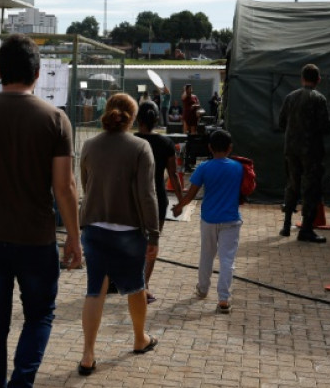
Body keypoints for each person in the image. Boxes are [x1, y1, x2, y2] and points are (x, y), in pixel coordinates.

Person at [0, 34, 83, 388]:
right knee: (39, 316)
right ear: (37, 73)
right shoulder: (56, 120)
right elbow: (65, 186)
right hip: (36, 239)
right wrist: (74, 236)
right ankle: (21, 384)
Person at [78, 93, 160, 376]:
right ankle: (139, 339)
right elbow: (147, 195)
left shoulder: (89, 145)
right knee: (136, 286)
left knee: (95, 290)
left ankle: (88, 354)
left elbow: (86, 185)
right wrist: (154, 234)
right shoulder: (140, 147)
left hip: (94, 227)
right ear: (132, 117)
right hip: (128, 230)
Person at [172, 129, 243, 314]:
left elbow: (191, 194)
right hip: (231, 220)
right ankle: (224, 299)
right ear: (230, 148)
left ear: (210, 148)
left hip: (209, 220)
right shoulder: (238, 167)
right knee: (227, 259)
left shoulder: (204, 168)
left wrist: (179, 207)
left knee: (206, 255)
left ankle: (203, 289)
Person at [134, 101, 184, 304]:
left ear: (137, 119)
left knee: (133, 240)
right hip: (157, 199)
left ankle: (129, 280)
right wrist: (181, 202)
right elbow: (173, 174)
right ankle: (144, 285)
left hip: (134, 198)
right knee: (152, 243)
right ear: (156, 120)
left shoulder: (132, 141)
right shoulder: (166, 143)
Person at [278, 63, 330, 243]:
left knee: (292, 184)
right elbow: (326, 127)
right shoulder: (319, 99)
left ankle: (286, 226)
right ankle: (306, 230)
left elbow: (281, 123)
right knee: (311, 189)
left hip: (291, 148)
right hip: (311, 151)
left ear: (302, 78)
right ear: (318, 80)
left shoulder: (290, 97)